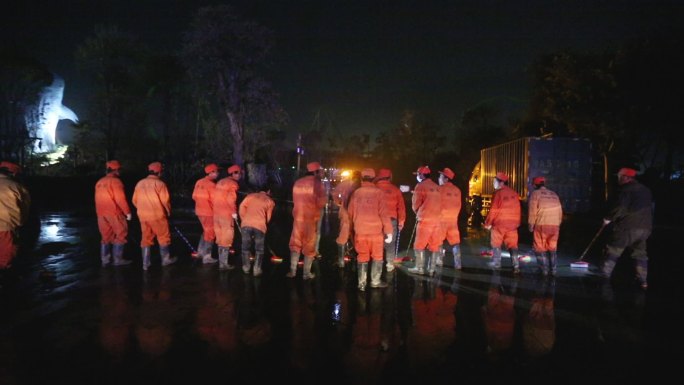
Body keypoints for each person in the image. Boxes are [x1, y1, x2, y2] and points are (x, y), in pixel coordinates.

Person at [601, 167, 653, 289]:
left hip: (628, 227)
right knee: (640, 253)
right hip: (645, 228)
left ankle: (604, 277)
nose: (618, 179)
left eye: (619, 176)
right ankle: (643, 280)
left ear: (626, 178)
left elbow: (621, 208)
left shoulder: (627, 190)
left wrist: (608, 218)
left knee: (613, 250)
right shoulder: (646, 190)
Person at [347, 168, 393, 291]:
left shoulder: (356, 193)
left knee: (362, 256)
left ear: (362, 178)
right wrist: (389, 232)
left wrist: (350, 230)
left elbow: (350, 214)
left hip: (360, 232)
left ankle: (361, 283)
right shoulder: (379, 193)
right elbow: (384, 214)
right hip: (375, 233)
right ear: (373, 179)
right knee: (377, 256)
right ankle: (375, 281)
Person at [132, 161, 176, 270]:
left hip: (143, 216)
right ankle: (165, 260)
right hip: (157, 215)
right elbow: (165, 201)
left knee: (146, 238)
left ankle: (145, 264)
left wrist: (142, 209)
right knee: (163, 237)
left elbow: (134, 200)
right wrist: (168, 212)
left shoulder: (140, 183)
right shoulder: (160, 184)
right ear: (159, 172)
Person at [288, 161, 327, 279]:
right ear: (315, 172)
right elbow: (321, 203)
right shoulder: (318, 184)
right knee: (309, 245)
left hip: (298, 218)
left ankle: (292, 271)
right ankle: (306, 273)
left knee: (295, 243)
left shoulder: (297, 183)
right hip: (310, 219)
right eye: (320, 171)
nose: (321, 174)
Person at [94, 160, 132, 267]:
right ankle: (118, 260)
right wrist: (127, 212)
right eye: (119, 169)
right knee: (121, 234)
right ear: (116, 170)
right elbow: (120, 199)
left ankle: (105, 260)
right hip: (114, 213)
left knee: (105, 236)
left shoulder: (99, 182)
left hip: (101, 213)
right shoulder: (116, 182)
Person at [484, 171, 521, 273]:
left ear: (501, 182)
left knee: (496, 244)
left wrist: (488, 223)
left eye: (495, 181)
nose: (493, 183)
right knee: (513, 245)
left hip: (500, 224)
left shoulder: (498, 193)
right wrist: (517, 223)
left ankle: (496, 264)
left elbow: (493, 210)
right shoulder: (514, 193)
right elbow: (518, 209)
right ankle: (516, 266)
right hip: (512, 225)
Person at [408, 165, 442, 276]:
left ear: (422, 175)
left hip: (425, 220)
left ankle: (419, 268)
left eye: (418, 174)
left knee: (419, 244)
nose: (417, 176)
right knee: (434, 245)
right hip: (437, 221)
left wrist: (418, 213)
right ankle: (431, 269)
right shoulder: (437, 187)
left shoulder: (420, 186)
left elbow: (415, 204)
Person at [528, 176, 563, 276]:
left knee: (540, 248)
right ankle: (554, 270)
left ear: (535, 185)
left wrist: (531, 224)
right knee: (552, 248)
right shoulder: (554, 194)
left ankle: (544, 271)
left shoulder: (535, 194)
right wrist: (558, 224)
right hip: (555, 225)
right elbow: (560, 211)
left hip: (542, 225)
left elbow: (532, 211)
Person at [238, 184, 275, 276]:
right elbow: (268, 217)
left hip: (246, 224)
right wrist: (264, 224)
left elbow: (241, 207)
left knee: (245, 247)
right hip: (260, 226)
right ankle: (256, 270)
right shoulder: (270, 201)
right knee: (259, 249)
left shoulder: (250, 196)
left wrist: (244, 219)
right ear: (268, 191)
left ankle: (246, 268)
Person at [0, 161, 31, 272]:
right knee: (5, 260)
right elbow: (24, 212)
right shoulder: (18, 187)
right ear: (13, 174)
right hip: (6, 230)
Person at [375, 168, 406, 273]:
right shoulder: (395, 189)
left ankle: (377, 267)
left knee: (377, 243)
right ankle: (389, 266)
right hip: (391, 220)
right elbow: (401, 207)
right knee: (390, 245)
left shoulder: (374, 188)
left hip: (376, 221)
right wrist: (401, 222)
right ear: (390, 177)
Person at [213, 164, 242, 270]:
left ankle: (221, 262)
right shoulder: (233, 184)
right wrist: (234, 212)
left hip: (216, 213)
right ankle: (223, 264)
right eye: (239, 173)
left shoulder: (220, 182)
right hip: (226, 214)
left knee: (220, 237)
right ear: (233, 173)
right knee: (226, 237)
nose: (240, 175)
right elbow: (231, 200)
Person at [331, 170, 361, 267]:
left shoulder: (345, 184)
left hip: (346, 214)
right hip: (358, 216)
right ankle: (358, 260)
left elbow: (334, 193)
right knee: (357, 238)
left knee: (343, 237)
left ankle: (341, 262)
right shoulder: (363, 185)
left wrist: (339, 202)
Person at [192, 163, 219, 264]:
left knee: (206, 231)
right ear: (211, 173)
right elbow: (215, 200)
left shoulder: (199, 182)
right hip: (208, 212)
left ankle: (200, 252)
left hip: (199, 211)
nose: (218, 173)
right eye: (216, 171)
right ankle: (207, 257)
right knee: (210, 232)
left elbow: (194, 196)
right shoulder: (212, 185)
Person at [437, 167, 462, 270]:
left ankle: (439, 261)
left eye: (440, 176)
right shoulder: (458, 190)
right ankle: (458, 264)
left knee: (438, 241)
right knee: (455, 242)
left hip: (441, 220)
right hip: (453, 220)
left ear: (446, 179)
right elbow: (459, 205)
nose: (439, 178)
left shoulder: (439, 189)